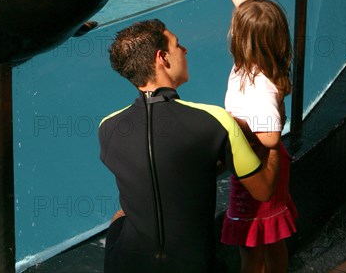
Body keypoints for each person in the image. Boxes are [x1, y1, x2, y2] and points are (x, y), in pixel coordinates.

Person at [99, 19, 281, 273]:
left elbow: (161, 167)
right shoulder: (214, 120)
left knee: (120, 216)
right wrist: (273, 144)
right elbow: (262, 191)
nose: (185, 50)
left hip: (125, 265)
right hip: (194, 266)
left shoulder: (107, 127)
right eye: (178, 45)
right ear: (162, 58)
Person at [184, 0, 298, 273]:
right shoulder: (255, 61)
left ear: (243, 39)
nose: (232, 24)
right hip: (262, 164)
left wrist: (231, 127)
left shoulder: (260, 83)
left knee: (250, 245)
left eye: (236, 26)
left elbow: (270, 136)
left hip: (258, 169)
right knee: (273, 238)